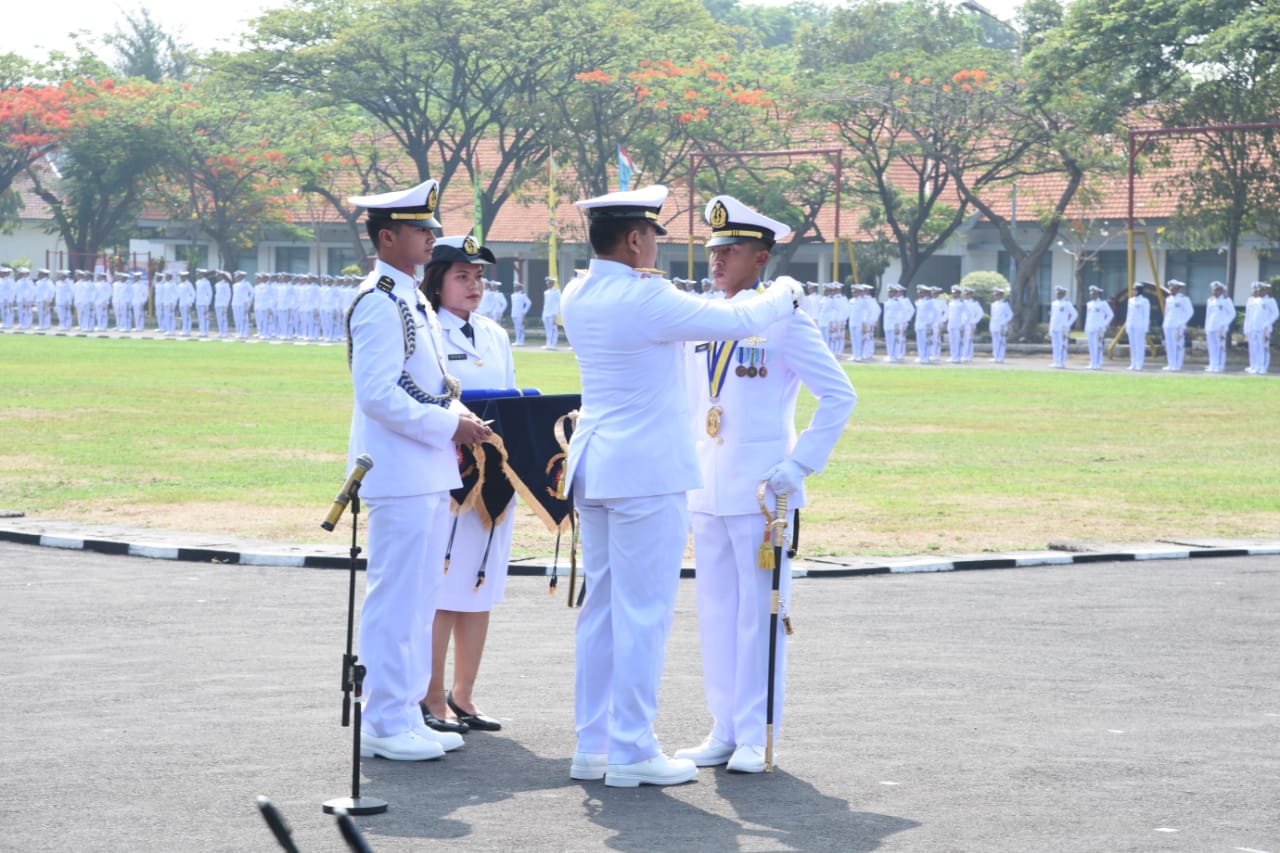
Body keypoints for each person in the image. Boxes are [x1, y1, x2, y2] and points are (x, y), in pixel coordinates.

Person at [560, 184, 805, 788]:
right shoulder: (646, 297)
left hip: (593, 466)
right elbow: (741, 317)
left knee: (601, 611)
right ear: (637, 239)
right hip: (644, 473)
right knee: (642, 614)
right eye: (652, 239)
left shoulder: (577, 290)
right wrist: (786, 290)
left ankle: (593, 744)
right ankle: (633, 748)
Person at [677, 196, 855, 775]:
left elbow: (839, 395)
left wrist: (800, 464)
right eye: (713, 250)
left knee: (761, 614)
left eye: (730, 250)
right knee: (716, 612)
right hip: (705, 487)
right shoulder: (702, 317)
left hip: (762, 494)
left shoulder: (785, 319)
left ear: (762, 256)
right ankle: (724, 728)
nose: (718, 260)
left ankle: (756, 733)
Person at [344, 178, 491, 762]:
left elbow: (428, 385)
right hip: (401, 470)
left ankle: (406, 711)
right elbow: (378, 394)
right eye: (420, 228)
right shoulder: (380, 299)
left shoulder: (409, 296)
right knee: (396, 599)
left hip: (426, 470)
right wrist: (446, 426)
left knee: (421, 598)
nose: (432, 236)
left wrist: (458, 415)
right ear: (387, 236)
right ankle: (382, 720)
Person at [418, 235, 515, 738]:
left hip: (494, 478)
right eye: (462, 276)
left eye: (478, 276)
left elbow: (513, 401)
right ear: (437, 283)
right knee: (443, 589)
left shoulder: (494, 335)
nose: (474, 284)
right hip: (451, 473)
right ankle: (431, 695)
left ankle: (464, 694)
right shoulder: (426, 331)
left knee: (479, 588)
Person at [1161, 279, 1193, 371]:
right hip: (1168, 325)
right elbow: (1167, 312)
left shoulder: (1183, 299)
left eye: (1174, 288)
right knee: (1169, 345)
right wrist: (1165, 323)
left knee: (1178, 345)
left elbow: (1190, 312)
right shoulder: (1168, 299)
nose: (1171, 290)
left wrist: (1181, 323)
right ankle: (1171, 364)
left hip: (1178, 326)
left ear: (1178, 289)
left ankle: (1177, 365)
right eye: (1171, 288)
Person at [1203, 281, 1233, 373]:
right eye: (1214, 290)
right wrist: (1206, 326)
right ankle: (1213, 364)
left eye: (1218, 290)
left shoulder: (1226, 300)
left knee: (1220, 347)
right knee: (1211, 347)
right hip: (1211, 326)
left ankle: (1220, 365)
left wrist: (1224, 324)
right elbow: (1208, 315)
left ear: (1222, 291)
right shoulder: (1210, 300)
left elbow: (1232, 313)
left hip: (1220, 328)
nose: (1215, 292)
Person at [1083, 285, 1114, 370]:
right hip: (1090, 327)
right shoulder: (1089, 304)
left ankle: (1099, 363)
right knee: (1091, 346)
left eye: (1094, 294)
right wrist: (1086, 328)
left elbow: (1110, 314)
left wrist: (1104, 324)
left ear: (1098, 294)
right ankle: (1092, 363)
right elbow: (1088, 317)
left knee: (1098, 346)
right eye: (1091, 294)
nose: (1092, 295)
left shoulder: (1103, 303)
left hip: (1099, 328)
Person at [1048, 285, 1078, 368]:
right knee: (1055, 345)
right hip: (1054, 327)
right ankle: (1056, 361)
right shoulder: (1054, 303)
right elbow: (1052, 317)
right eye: (1057, 294)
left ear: (1064, 294)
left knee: (1062, 345)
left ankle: (1062, 362)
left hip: (1063, 328)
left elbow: (1074, 314)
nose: (1058, 295)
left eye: (1060, 294)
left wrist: (1067, 324)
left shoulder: (1067, 303)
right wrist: (1050, 329)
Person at [882, 283, 913, 362]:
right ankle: (890, 355)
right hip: (887, 324)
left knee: (895, 341)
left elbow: (905, 312)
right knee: (889, 341)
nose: (889, 293)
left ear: (895, 293)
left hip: (895, 324)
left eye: (891, 292)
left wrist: (903, 322)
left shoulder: (900, 302)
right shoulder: (888, 301)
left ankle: (894, 356)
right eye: (889, 292)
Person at [1125, 282, 1151, 371]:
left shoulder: (1144, 301)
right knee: (1132, 345)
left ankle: (1139, 364)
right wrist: (1127, 325)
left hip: (1140, 326)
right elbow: (1129, 314)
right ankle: (1133, 363)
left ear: (1139, 290)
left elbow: (1146, 315)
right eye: (1133, 289)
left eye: (1135, 289)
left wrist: (1145, 328)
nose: (1133, 291)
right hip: (1131, 325)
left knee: (1139, 345)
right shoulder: (1130, 300)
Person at [988, 287, 1013, 363]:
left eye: (998, 295)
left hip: (1001, 326)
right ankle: (995, 356)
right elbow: (993, 316)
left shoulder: (1005, 304)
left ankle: (1001, 357)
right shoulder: (993, 304)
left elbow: (1010, 315)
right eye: (995, 295)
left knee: (1001, 342)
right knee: (995, 342)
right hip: (994, 325)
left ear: (1001, 295)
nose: (996, 296)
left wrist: (1004, 322)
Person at [509, 281, 532, 345]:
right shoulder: (513, 295)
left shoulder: (523, 295)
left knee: (520, 327)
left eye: (516, 286)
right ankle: (517, 340)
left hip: (520, 314)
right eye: (514, 286)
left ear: (519, 287)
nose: (515, 288)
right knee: (516, 328)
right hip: (514, 313)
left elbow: (529, 303)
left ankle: (521, 341)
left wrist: (524, 312)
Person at [541, 276, 561, 348]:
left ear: (552, 283)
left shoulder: (557, 292)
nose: (547, 284)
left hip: (553, 314)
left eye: (549, 283)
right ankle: (548, 344)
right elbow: (546, 304)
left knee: (553, 330)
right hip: (546, 313)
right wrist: (543, 314)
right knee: (548, 330)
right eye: (547, 283)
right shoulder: (546, 292)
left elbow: (559, 303)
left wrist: (556, 314)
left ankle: (553, 344)